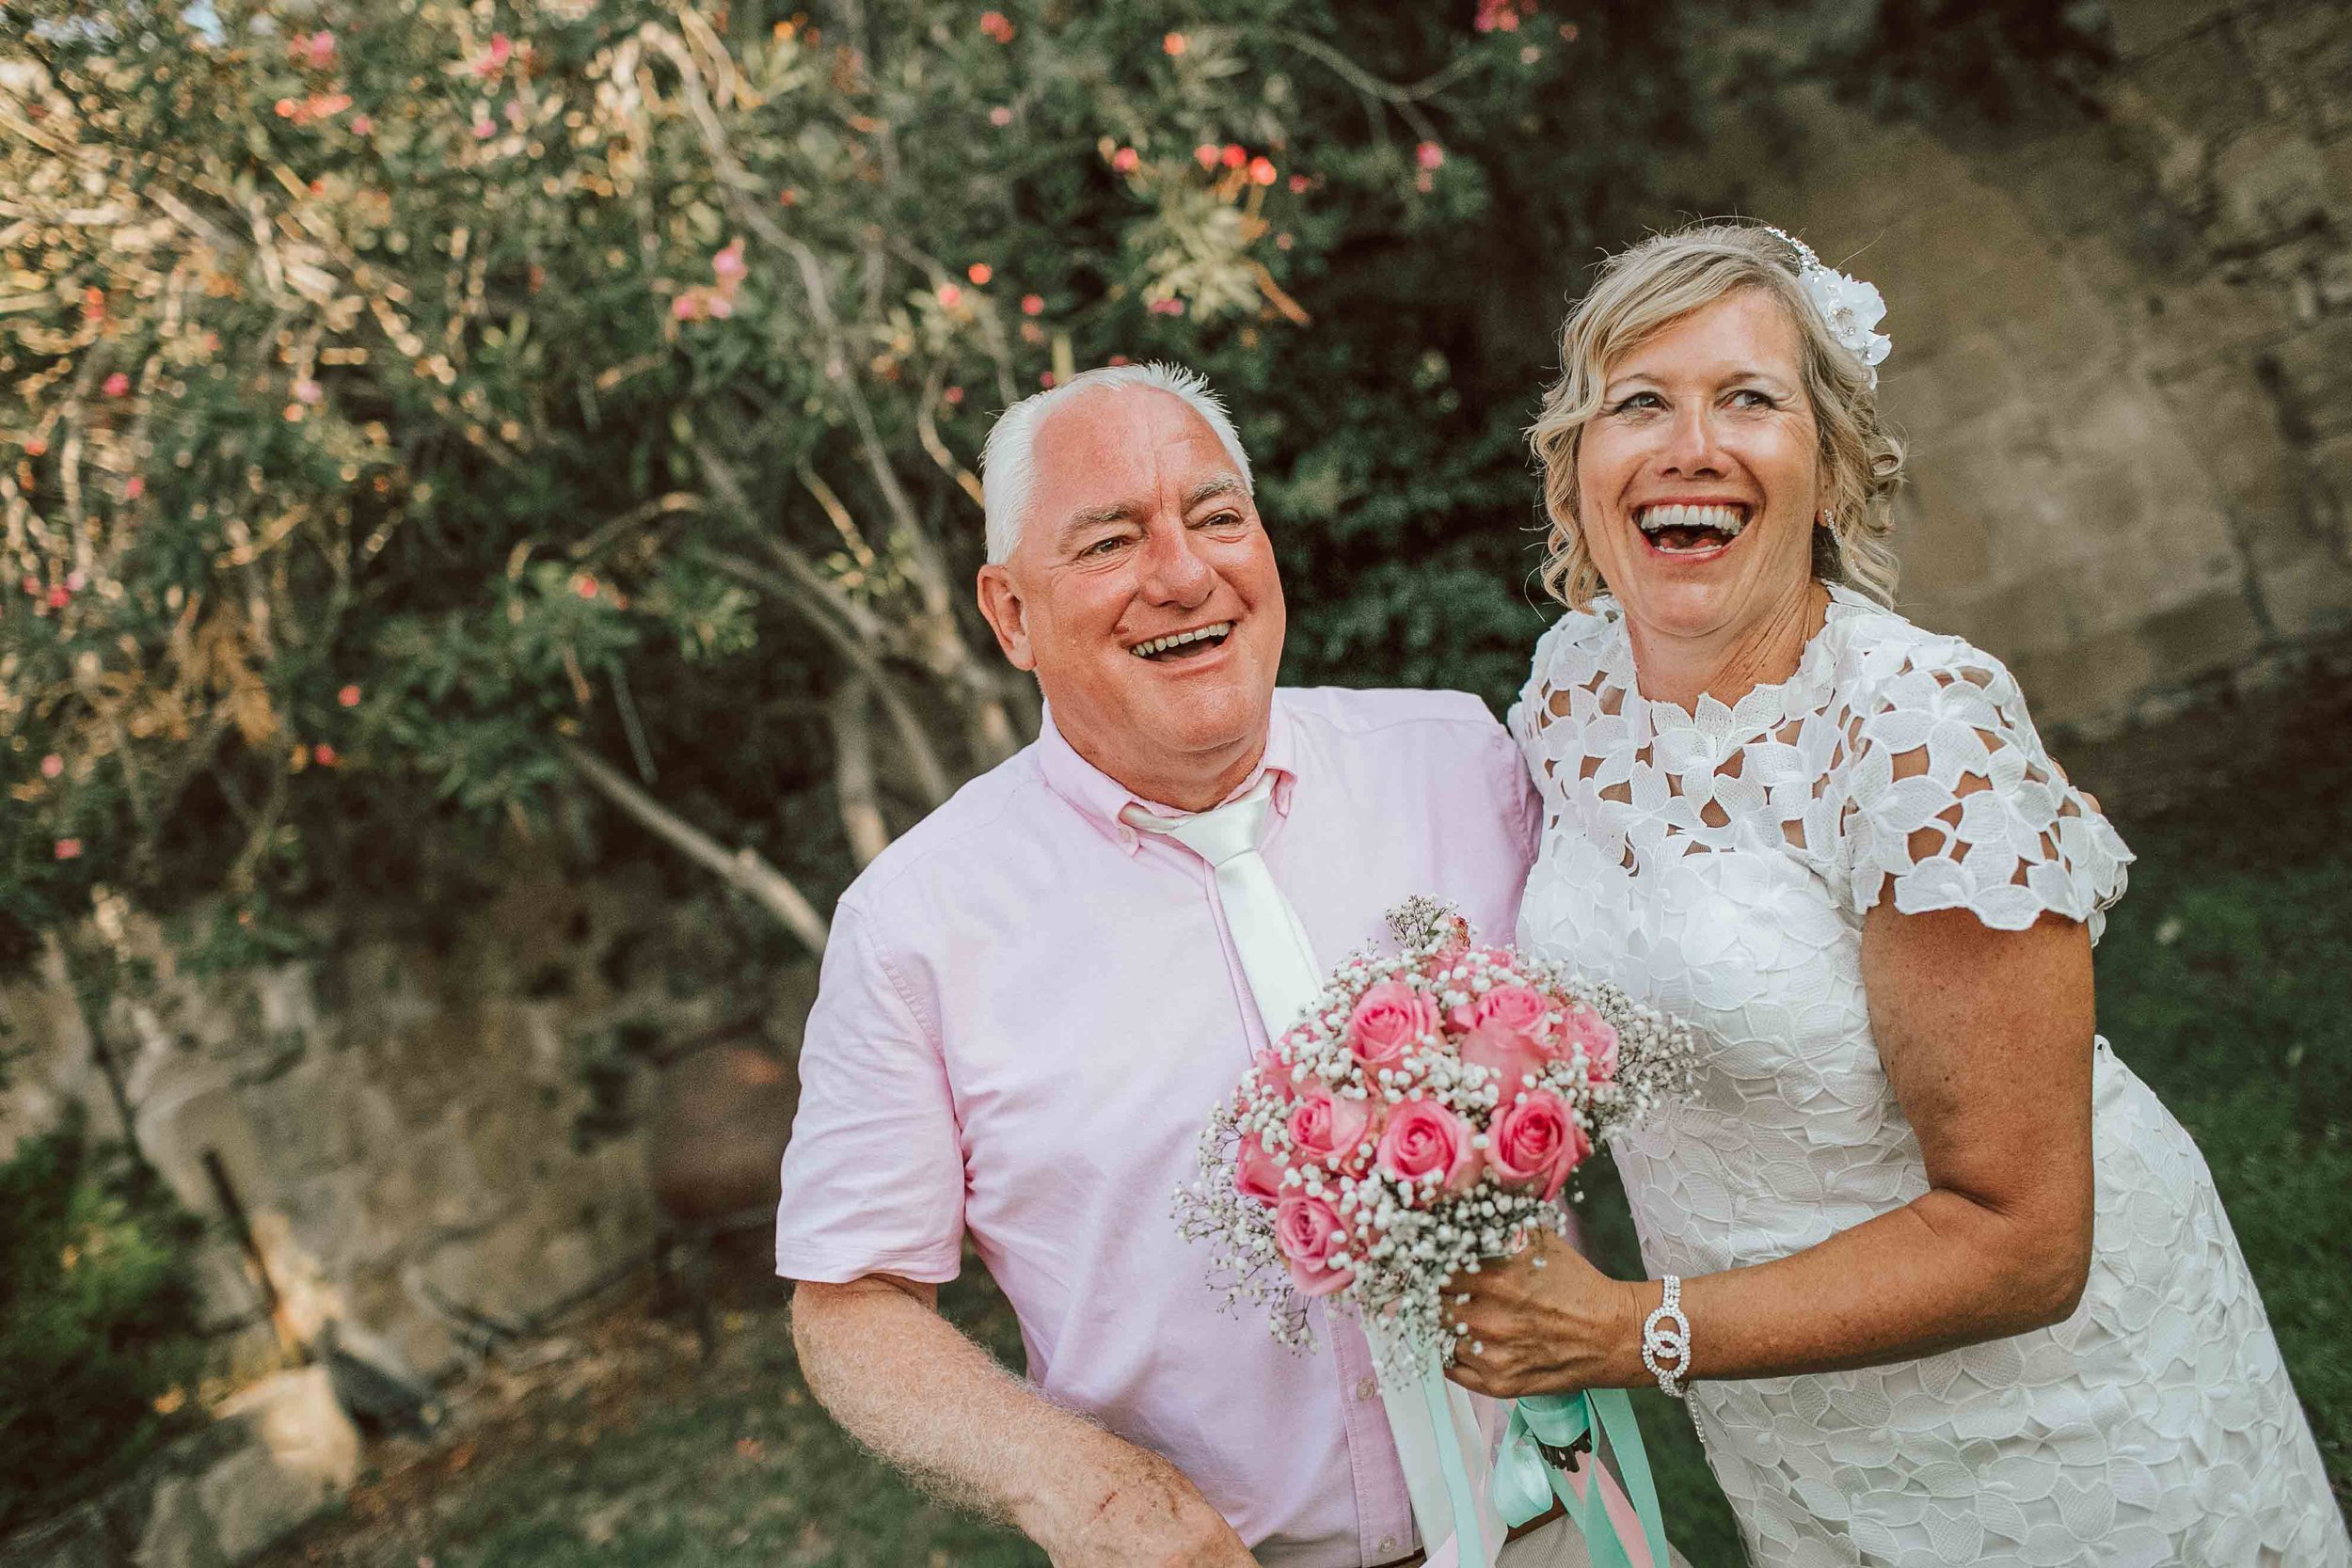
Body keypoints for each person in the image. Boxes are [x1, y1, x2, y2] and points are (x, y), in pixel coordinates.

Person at [1444, 220, 2351, 1566]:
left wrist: (1638, 1327)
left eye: (1748, 398)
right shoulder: (1573, 685)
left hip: (2056, 1432)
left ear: (1831, 472)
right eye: (1640, 401)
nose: (1690, 442)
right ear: (1577, 468)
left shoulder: (1917, 724)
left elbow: (2023, 1238)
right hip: (1797, 1435)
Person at [777, 363, 1662, 1566]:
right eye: (1109, 540)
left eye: (1215, 517)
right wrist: (1082, 1492)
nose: (1183, 574)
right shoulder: (913, 926)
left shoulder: (1458, 759)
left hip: (1564, 1519)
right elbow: (851, 1302)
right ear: (1010, 615)